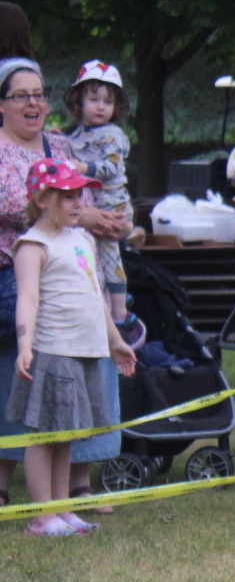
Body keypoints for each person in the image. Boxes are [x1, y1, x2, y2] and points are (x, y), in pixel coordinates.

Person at [0, 59, 132, 508]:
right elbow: (18, 211)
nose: (33, 102)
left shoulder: (60, 144)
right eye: (21, 95)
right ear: (2, 105)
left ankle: (71, 495)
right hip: (16, 279)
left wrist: (102, 218)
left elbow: (90, 200)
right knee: (41, 409)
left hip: (76, 272)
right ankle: (39, 504)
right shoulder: (32, 240)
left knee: (80, 391)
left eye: (39, 93)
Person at [7, 159, 136, 536]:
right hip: (53, 350)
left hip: (86, 351)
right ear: (43, 199)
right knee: (45, 435)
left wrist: (115, 341)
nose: (79, 202)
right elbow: (27, 299)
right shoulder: (33, 245)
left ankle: (62, 511)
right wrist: (24, 344)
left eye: (81, 193)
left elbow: (96, 295)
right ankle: (41, 516)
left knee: (67, 435)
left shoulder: (81, 239)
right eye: (68, 195)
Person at [61, 62, 132, 324]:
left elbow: (110, 166)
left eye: (108, 101)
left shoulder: (113, 135)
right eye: (94, 99)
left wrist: (83, 168)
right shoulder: (78, 134)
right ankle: (108, 296)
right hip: (93, 203)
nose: (101, 106)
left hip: (111, 203)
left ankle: (120, 311)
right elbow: (69, 150)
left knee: (110, 251)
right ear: (79, 101)